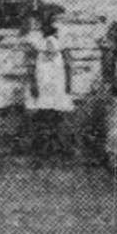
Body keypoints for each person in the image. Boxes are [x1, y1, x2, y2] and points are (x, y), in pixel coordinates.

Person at [23, 9, 75, 157]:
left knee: (58, 111)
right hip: (41, 75)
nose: (53, 23)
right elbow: (30, 62)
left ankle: (59, 146)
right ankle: (42, 147)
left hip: (57, 75)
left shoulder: (62, 37)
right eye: (49, 19)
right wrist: (33, 82)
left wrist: (69, 81)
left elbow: (68, 60)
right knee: (42, 112)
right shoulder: (34, 38)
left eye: (55, 20)